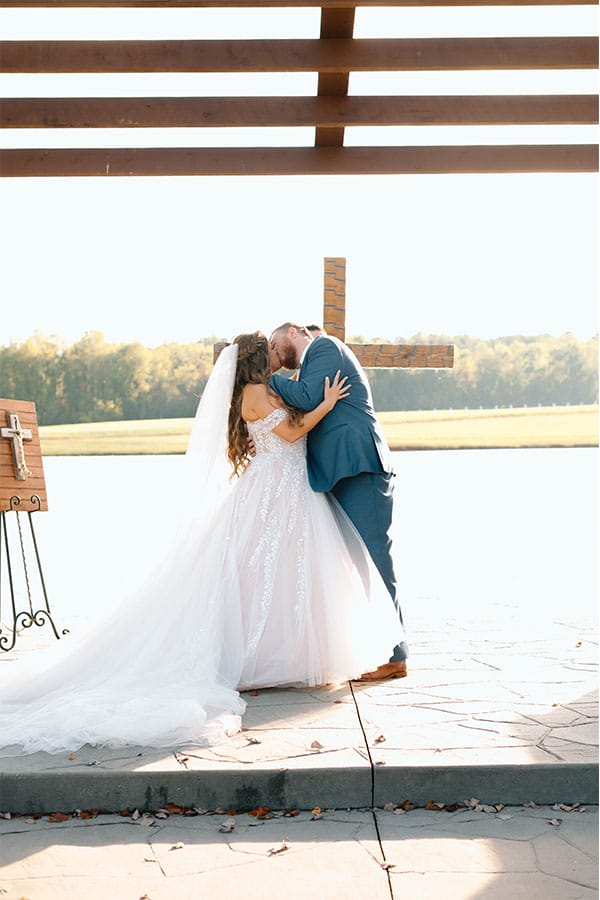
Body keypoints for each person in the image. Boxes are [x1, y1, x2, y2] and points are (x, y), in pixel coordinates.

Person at [0, 332, 404, 755]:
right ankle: (257, 656)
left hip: (289, 488)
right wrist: (327, 402)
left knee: (283, 572)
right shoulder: (254, 392)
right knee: (260, 568)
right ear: (254, 360)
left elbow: (280, 428)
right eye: (267, 353)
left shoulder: (262, 391)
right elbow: (290, 432)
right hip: (274, 488)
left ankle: (284, 653)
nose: (273, 357)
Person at [269, 323, 409, 681]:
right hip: (339, 472)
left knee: (375, 560)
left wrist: (259, 379)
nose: (273, 352)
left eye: (274, 342)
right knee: (353, 567)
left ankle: (395, 656)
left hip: (360, 467)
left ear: (296, 332)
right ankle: (371, 646)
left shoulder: (325, 348)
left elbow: (306, 398)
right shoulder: (308, 366)